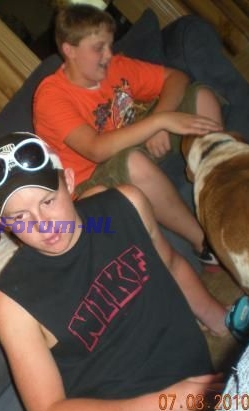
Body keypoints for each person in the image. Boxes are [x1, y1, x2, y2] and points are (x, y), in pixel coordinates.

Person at [0, 132, 249, 411]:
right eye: (20, 217)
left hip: (199, 389)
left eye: (48, 201)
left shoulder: (125, 205)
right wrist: (160, 408)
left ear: (68, 180)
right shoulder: (10, 302)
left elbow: (172, 265)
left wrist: (221, 321)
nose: (43, 225)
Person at [33, 4, 223, 266]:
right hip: (93, 177)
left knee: (202, 96)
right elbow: (96, 149)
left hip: (137, 140)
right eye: (99, 48)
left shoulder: (116, 66)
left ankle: (226, 191)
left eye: (110, 45)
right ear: (70, 50)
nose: (109, 54)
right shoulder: (51, 96)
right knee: (133, 162)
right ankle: (206, 244)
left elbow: (176, 78)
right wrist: (159, 121)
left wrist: (161, 120)